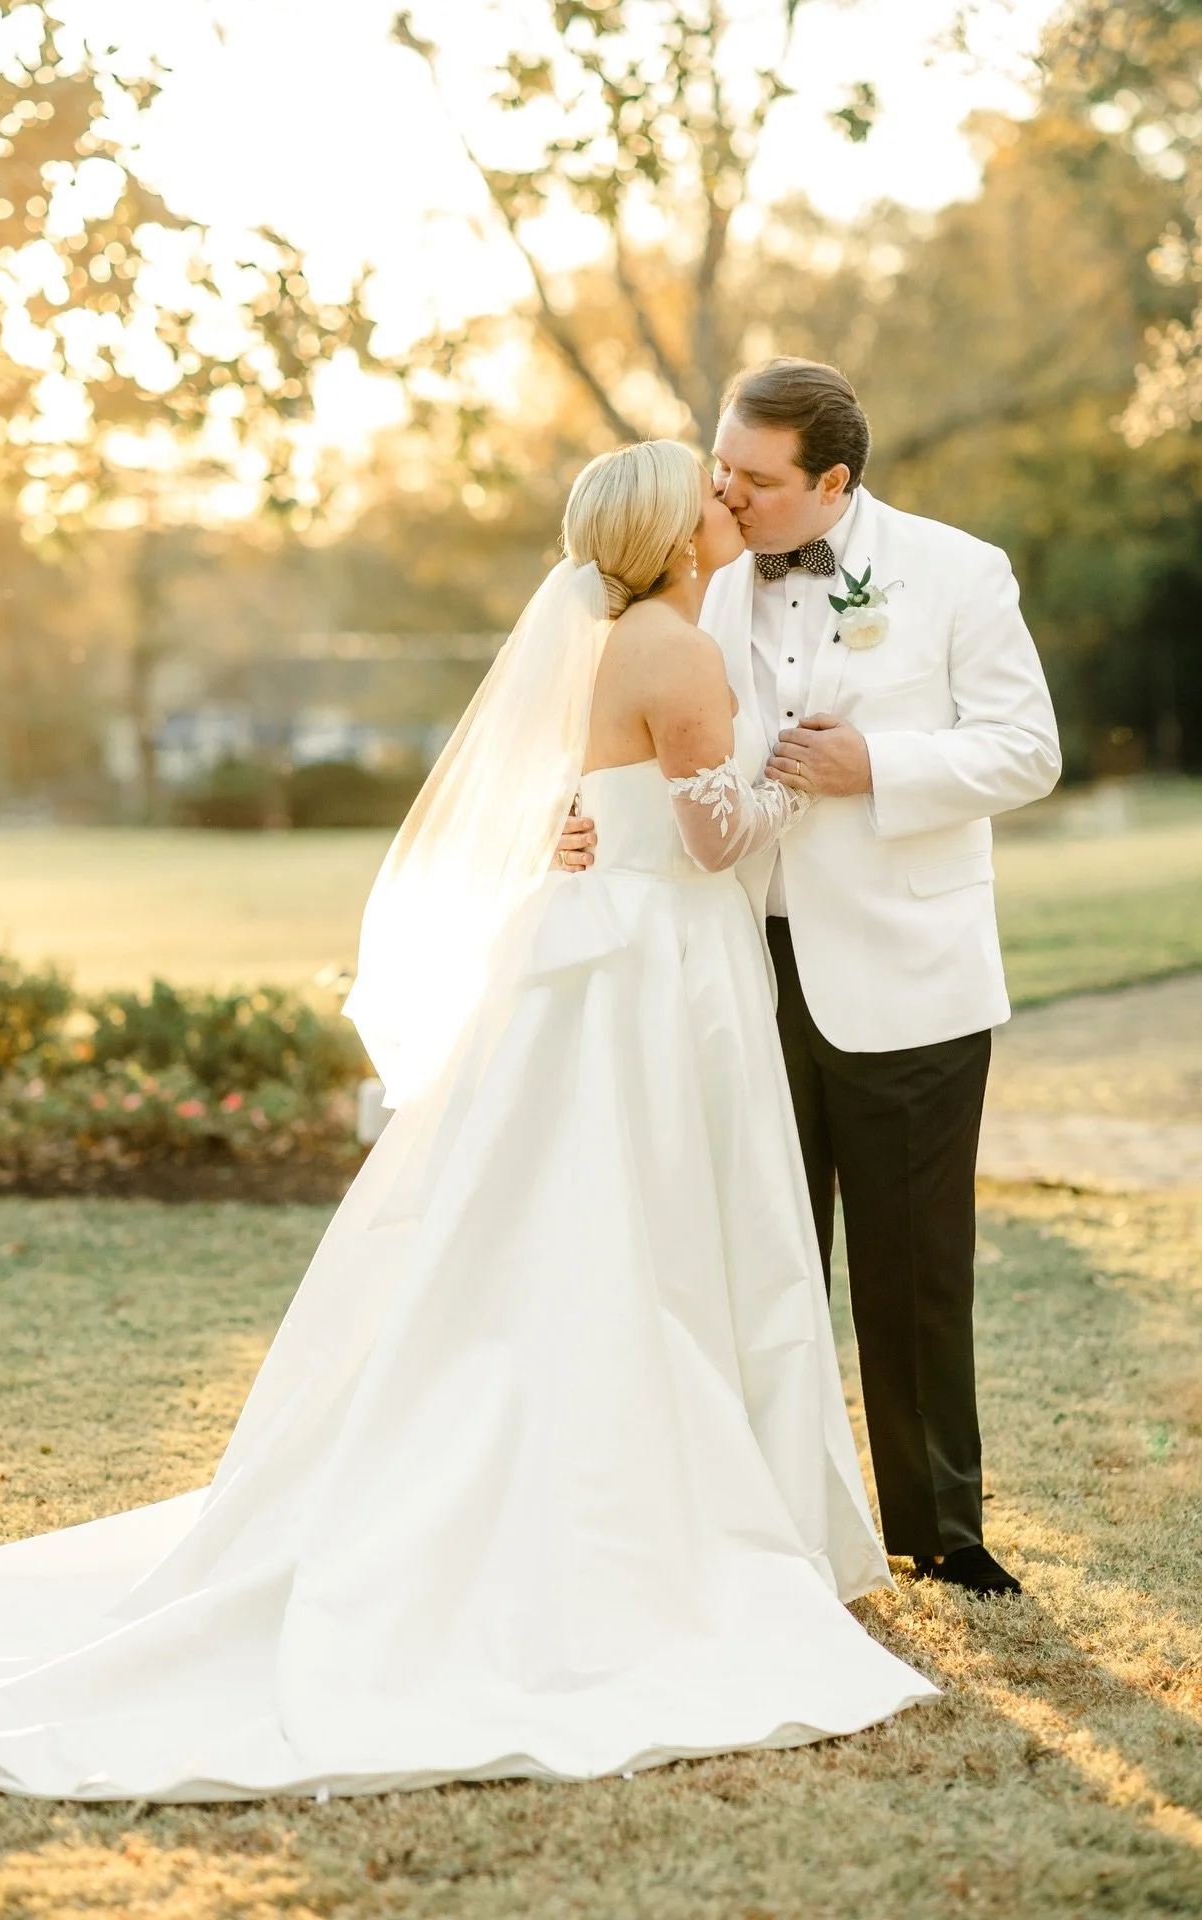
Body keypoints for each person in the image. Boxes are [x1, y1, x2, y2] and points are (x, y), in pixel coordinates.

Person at [0, 441, 934, 1805]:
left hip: (610, 945)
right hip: (654, 966)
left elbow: (598, 805)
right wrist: (799, 774)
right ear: (675, 537)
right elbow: (717, 837)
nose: (728, 504)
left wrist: (613, 823)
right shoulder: (675, 651)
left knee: (578, 1226)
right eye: (709, 495)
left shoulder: (609, 638)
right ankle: (661, 1515)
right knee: (655, 1228)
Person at [559, 362, 1062, 1597]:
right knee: (746, 1252)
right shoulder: (696, 577)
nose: (727, 492)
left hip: (909, 966)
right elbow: (627, 743)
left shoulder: (959, 571)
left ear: (833, 482)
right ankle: (753, 1519)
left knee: (914, 1265)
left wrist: (875, 765)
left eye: (757, 478)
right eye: (720, 467)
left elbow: (1027, 750)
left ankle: (939, 1530)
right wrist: (581, 826)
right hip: (730, 964)